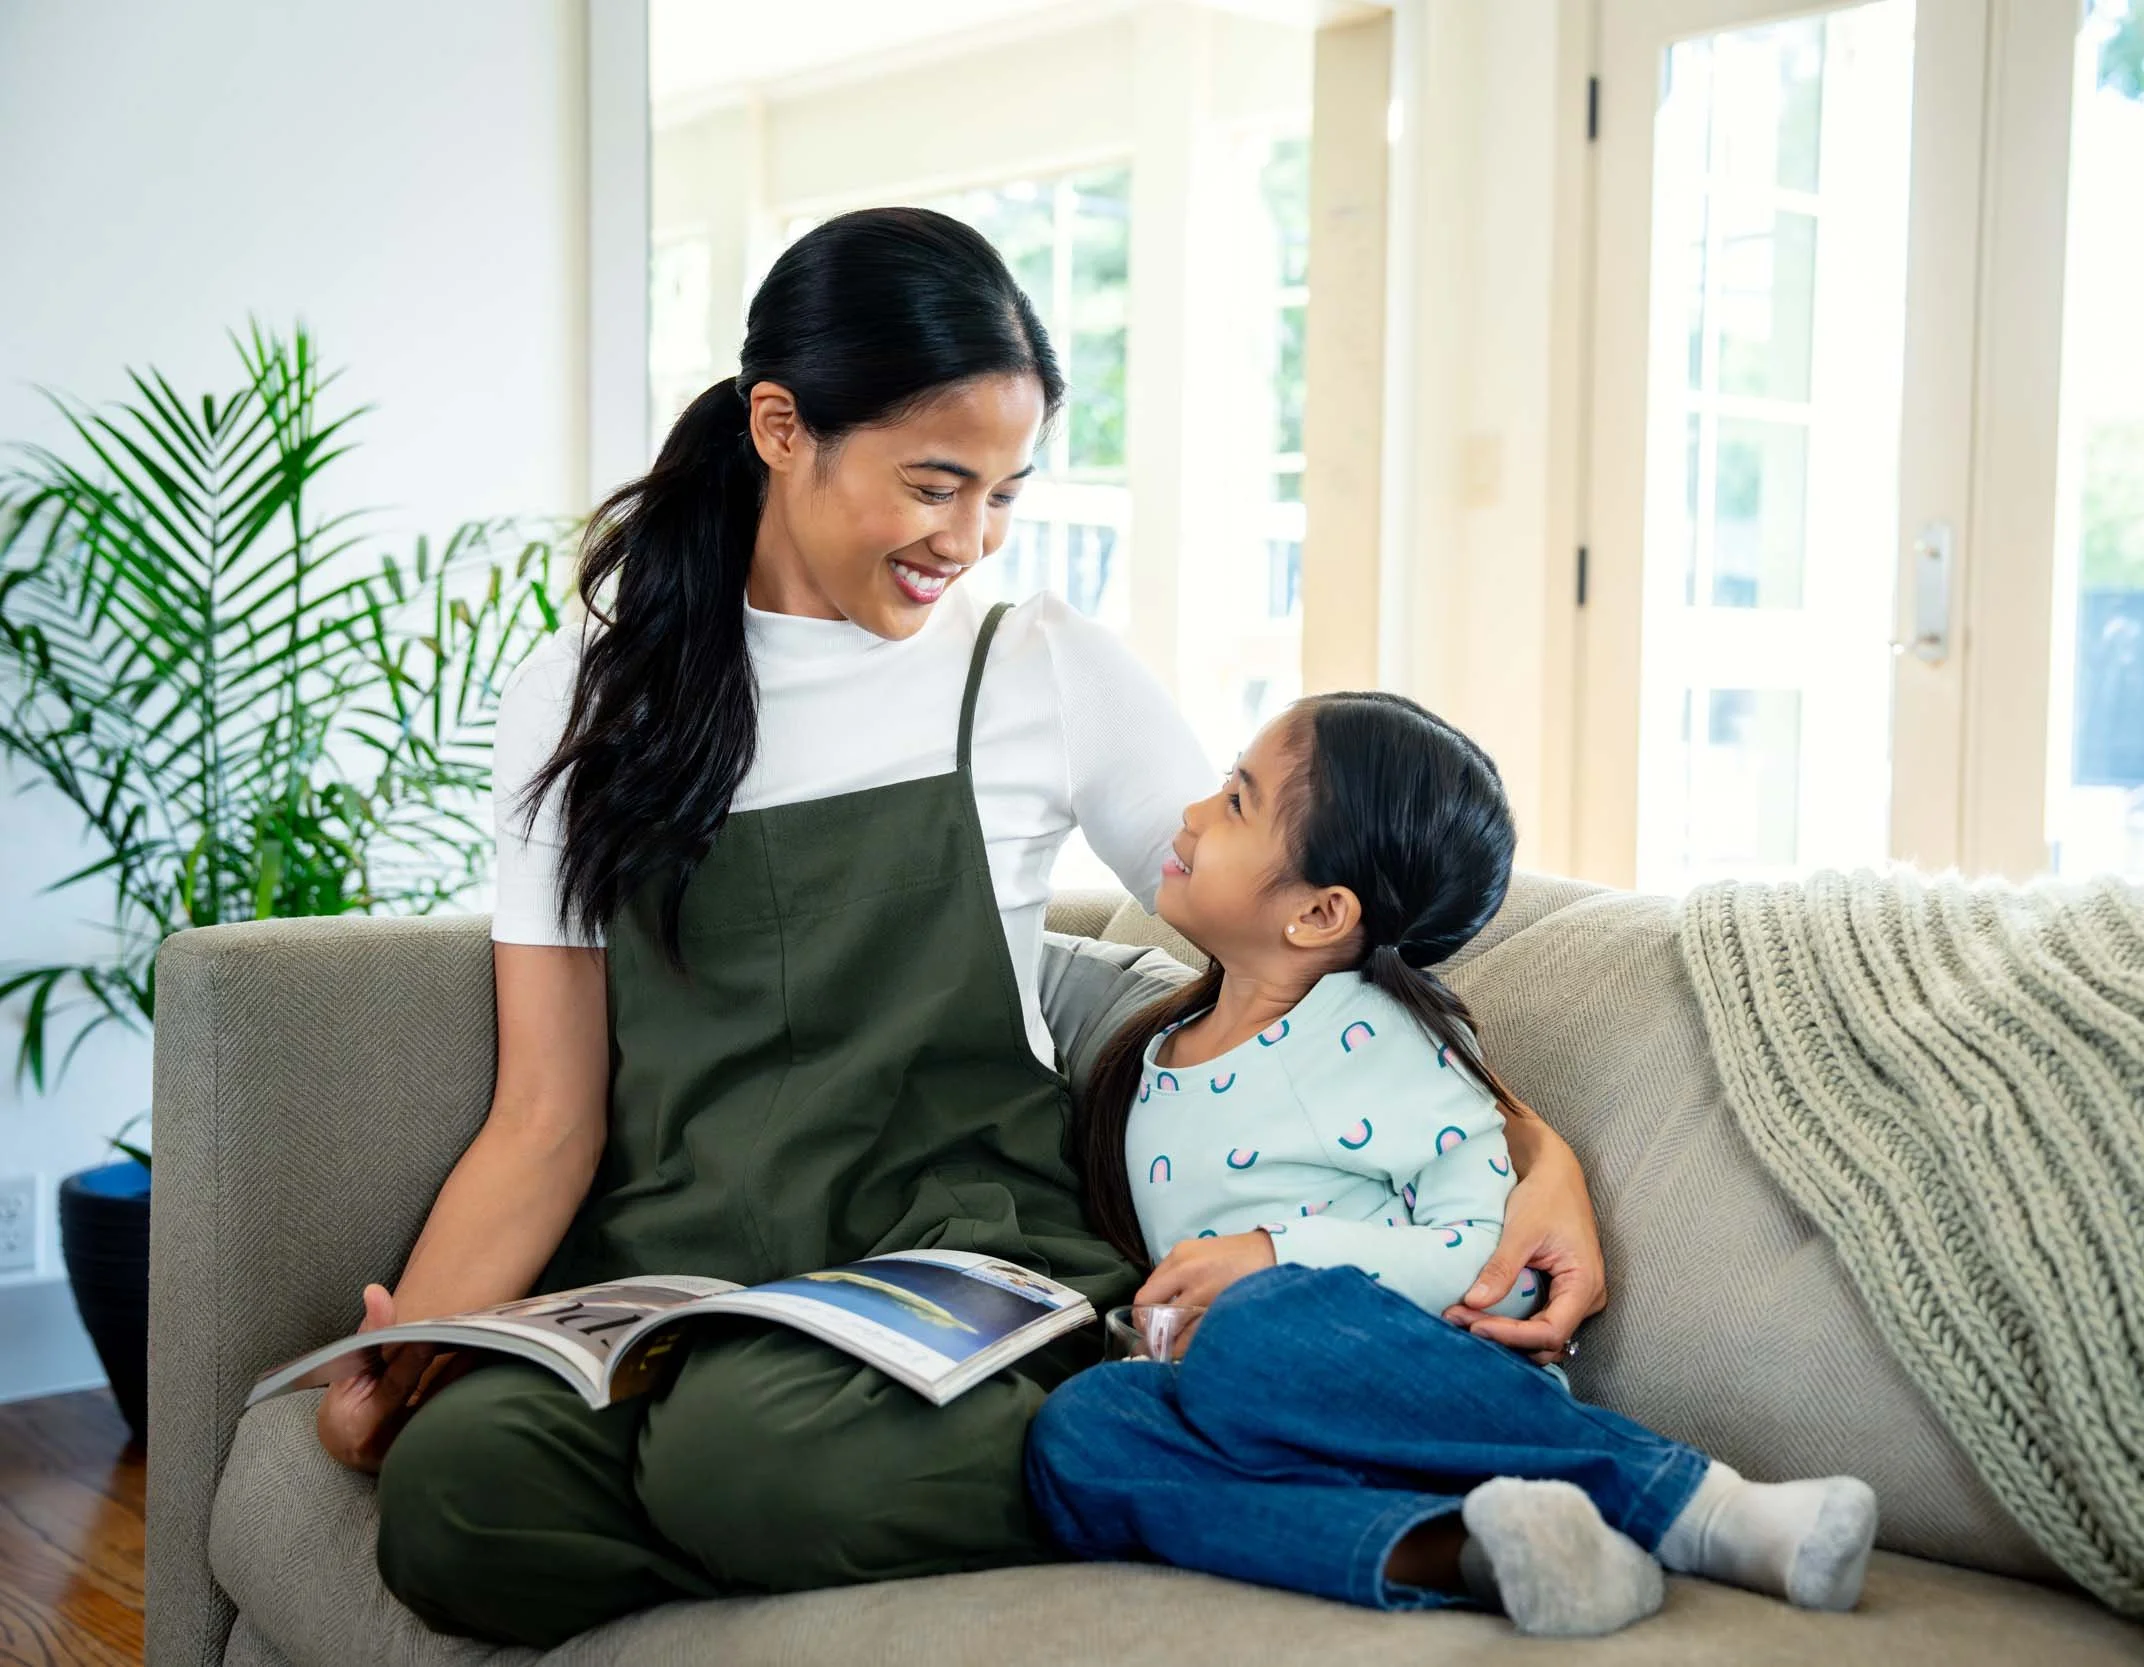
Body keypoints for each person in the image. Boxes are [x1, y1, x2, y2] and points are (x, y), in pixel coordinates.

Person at [308, 207, 1614, 1648]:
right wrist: (408, 1352)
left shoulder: (1037, 668)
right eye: (936, 484)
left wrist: (1529, 1148)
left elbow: (1291, 930)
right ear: (781, 425)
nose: (970, 540)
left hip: (950, 1251)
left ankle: (1204, 1450)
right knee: (455, 1499)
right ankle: (802, 1506)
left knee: (754, 1453)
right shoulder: (583, 693)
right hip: (675, 1264)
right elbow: (546, 1115)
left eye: (1004, 493)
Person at [1025, 693, 1879, 1637]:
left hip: (1425, 1394)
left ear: (1318, 912)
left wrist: (1271, 1259)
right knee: (1082, 1430)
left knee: (1258, 1329)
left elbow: (1492, 1264)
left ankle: (1703, 1507)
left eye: (1235, 799)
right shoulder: (1157, 1043)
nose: (1189, 812)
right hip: (1261, 1427)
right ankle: (1478, 1553)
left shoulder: (1374, 1037)